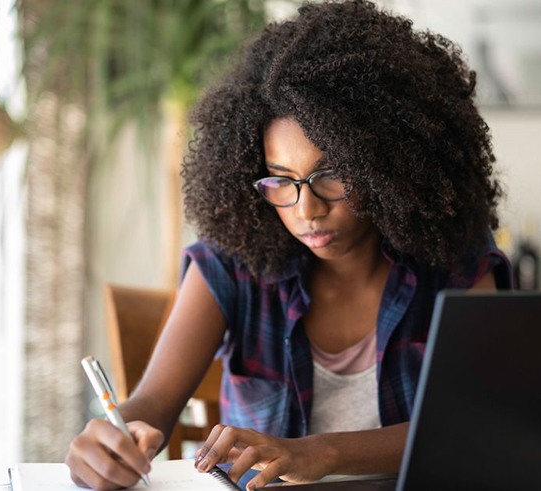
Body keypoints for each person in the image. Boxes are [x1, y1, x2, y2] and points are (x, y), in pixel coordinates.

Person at [64, 1, 513, 490]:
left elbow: (478, 423)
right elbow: (152, 405)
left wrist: (321, 452)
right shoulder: (231, 263)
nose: (306, 209)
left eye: (332, 175)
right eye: (281, 181)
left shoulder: (453, 260)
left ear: (390, 166)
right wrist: (116, 437)